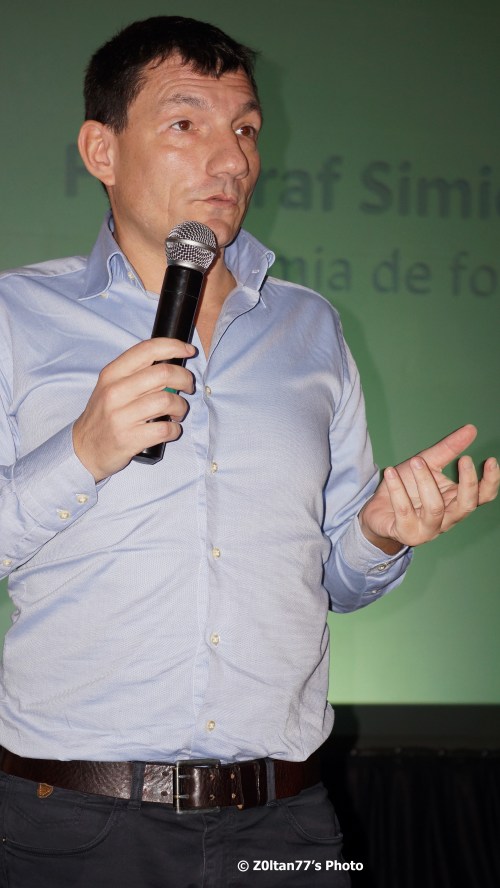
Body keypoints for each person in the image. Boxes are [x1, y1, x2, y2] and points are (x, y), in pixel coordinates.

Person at [0, 15, 497, 888]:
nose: (230, 159)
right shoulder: (17, 317)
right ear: (101, 150)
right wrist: (82, 451)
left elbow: (338, 580)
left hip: (284, 825)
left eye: (246, 129)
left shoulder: (312, 326)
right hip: (72, 827)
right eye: (185, 123)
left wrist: (380, 532)